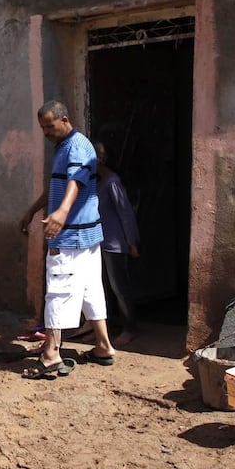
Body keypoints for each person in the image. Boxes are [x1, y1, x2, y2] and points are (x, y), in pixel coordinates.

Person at [17, 101, 115, 378]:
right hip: (87, 234)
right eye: (42, 128)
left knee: (59, 290)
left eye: (49, 126)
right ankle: (103, 346)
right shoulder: (64, 147)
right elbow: (58, 184)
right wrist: (33, 211)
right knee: (90, 289)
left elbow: (76, 181)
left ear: (64, 119)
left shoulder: (78, 146)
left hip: (71, 235)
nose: (46, 132)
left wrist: (61, 212)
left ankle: (50, 354)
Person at [95, 140, 141, 347]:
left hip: (115, 244)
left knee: (119, 287)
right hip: (100, 243)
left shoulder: (112, 182)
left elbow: (125, 213)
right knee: (102, 288)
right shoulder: (97, 182)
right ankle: (109, 325)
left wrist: (131, 242)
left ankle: (130, 327)